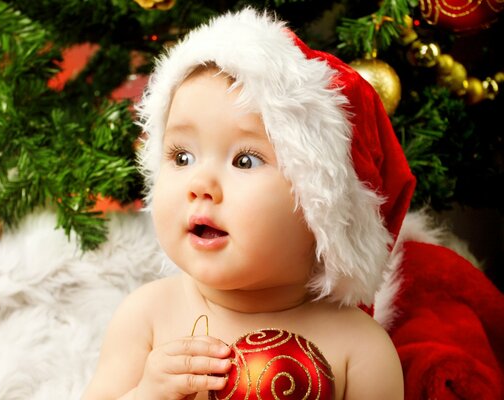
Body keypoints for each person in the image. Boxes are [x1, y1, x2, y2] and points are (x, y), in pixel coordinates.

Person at [81, 7, 415, 400]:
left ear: (322, 206)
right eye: (181, 156)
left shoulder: (358, 349)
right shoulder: (148, 316)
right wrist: (147, 394)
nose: (199, 183)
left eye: (245, 160)